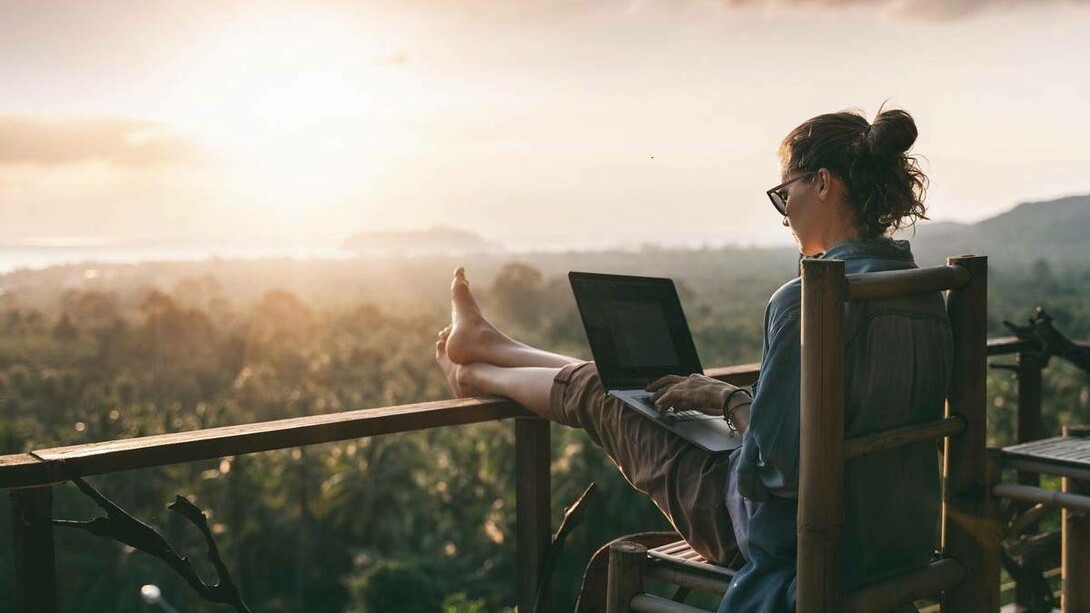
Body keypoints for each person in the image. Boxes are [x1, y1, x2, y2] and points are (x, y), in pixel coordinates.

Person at [435, 108, 953, 612]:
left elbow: (779, 472)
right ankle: (488, 347)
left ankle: (470, 371)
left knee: (605, 394)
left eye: (783, 194)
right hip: (895, 538)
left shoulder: (808, 300)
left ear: (822, 183)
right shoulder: (923, 293)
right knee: (626, 384)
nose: (784, 213)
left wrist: (729, 403)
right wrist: (733, 408)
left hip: (792, 539)